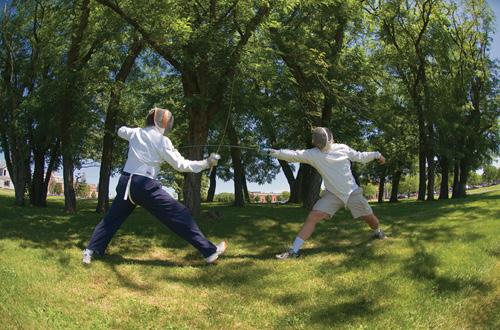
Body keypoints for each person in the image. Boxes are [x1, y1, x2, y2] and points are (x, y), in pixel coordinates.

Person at [82, 107, 226, 264]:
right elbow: (181, 164)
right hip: (144, 186)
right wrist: (207, 163)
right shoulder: (163, 141)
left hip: (125, 184)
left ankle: (91, 250)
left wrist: (118, 127)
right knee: (179, 214)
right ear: (163, 122)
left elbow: (121, 130)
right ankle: (210, 252)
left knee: (112, 219)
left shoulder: (135, 132)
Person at [268, 127, 387, 259]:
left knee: (370, 219)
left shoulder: (342, 148)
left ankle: (378, 232)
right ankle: (294, 251)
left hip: (352, 192)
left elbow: (360, 156)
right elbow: (294, 155)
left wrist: (377, 154)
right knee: (313, 216)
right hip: (332, 194)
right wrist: (276, 153)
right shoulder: (313, 154)